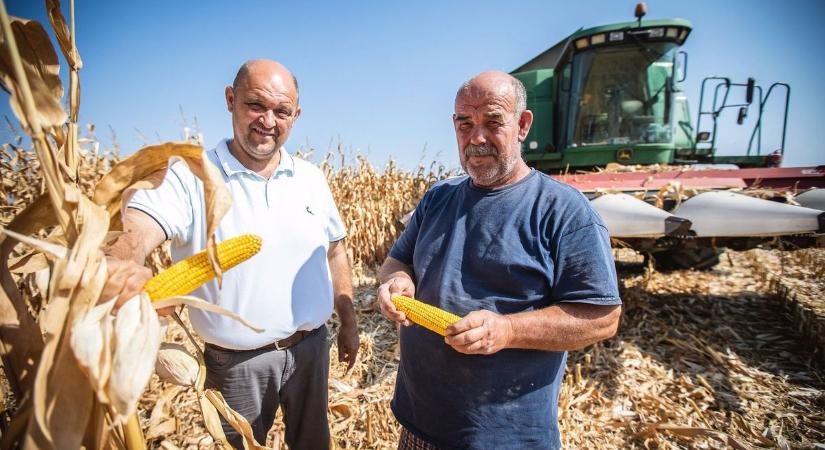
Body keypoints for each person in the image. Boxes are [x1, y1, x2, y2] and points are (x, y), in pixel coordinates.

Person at [103, 59, 359, 450]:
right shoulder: (191, 176)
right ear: (230, 99)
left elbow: (336, 251)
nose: (268, 121)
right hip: (237, 364)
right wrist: (121, 264)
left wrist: (350, 322)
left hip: (311, 349)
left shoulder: (311, 178)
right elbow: (136, 228)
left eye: (281, 111)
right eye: (256, 105)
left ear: (296, 115)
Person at [376, 71, 622, 450]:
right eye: (464, 123)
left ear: (522, 125)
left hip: (505, 437)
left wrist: (506, 331)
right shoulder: (437, 199)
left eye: (493, 122)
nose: (476, 138)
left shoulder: (563, 211)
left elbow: (602, 318)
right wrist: (397, 282)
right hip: (419, 424)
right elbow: (395, 263)